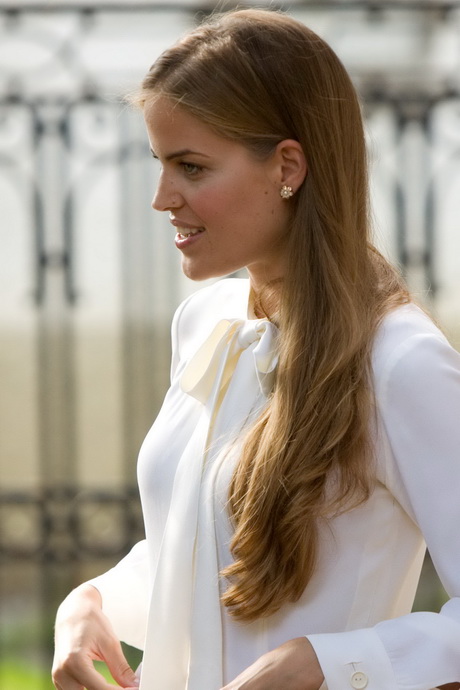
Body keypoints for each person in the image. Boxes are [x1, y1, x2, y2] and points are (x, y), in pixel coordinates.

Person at [52, 8, 460, 690]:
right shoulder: (208, 325)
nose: (162, 198)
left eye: (191, 166)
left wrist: (324, 664)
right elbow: (210, 550)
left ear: (288, 167)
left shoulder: (402, 363)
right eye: (161, 163)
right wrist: (89, 604)